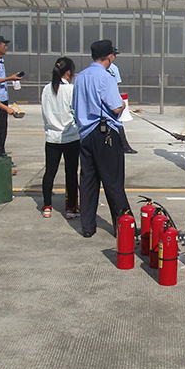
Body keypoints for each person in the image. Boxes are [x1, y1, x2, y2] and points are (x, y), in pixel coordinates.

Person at [72, 40, 130, 238]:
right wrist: (122, 104)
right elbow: (115, 107)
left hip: (85, 135)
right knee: (113, 182)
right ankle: (123, 227)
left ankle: (88, 227)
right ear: (110, 57)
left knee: (88, 181)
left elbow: (75, 106)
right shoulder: (106, 77)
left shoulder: (80, 77)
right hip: (105, 134)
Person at [40, 57, 80, 219]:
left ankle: (46, 206)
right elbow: (77, 111)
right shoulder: (70, 90)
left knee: (50, 172)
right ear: (69, 72)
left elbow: (44, 111)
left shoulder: (47, 89)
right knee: (70, 173)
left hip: (52, 137)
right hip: (70, 137)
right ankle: (71, 208)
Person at [0, 35, 22, 174]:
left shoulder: (0, 61)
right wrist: (10, 78)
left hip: (2, 99)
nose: (6, 47)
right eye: (4, 44)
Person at [107, 62, 137, 154]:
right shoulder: (113, 68)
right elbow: (116, 85)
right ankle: (124, 146)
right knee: (117, 122)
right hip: (111, 99)